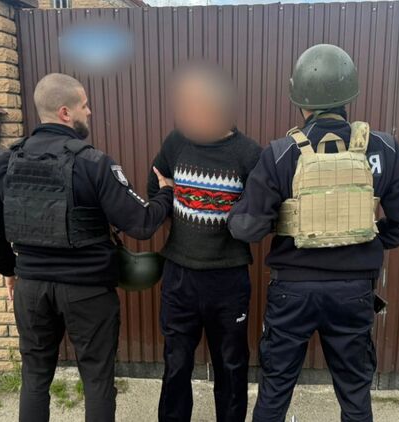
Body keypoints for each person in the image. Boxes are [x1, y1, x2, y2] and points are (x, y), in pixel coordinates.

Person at [228, 44, 399, 422]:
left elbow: (245, 227)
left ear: (300, 101)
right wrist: (369, 236)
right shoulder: (383, 148)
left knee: (275, 391)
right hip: (353, 292)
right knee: (355, 395)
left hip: (292, 291)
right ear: (349, 94)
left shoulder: (280, 153)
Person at [0, 73, 174, 422]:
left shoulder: (5, 162)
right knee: (97, 380)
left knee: (35, 377)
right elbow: (141, 224)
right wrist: (166, 194)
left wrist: (12, 269)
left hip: (32, 289)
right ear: (65, 113)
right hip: (88, 293)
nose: (90, 111)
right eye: (84, 105)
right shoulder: (94, 163)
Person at [147, 63, 263, 422]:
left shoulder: (249, 154)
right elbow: (156, 183)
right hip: (179, 276)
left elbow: (262, 214)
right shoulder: (176, 142)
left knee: (231, 365)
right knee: (176, 363)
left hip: (228, 280)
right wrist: (171, 203)